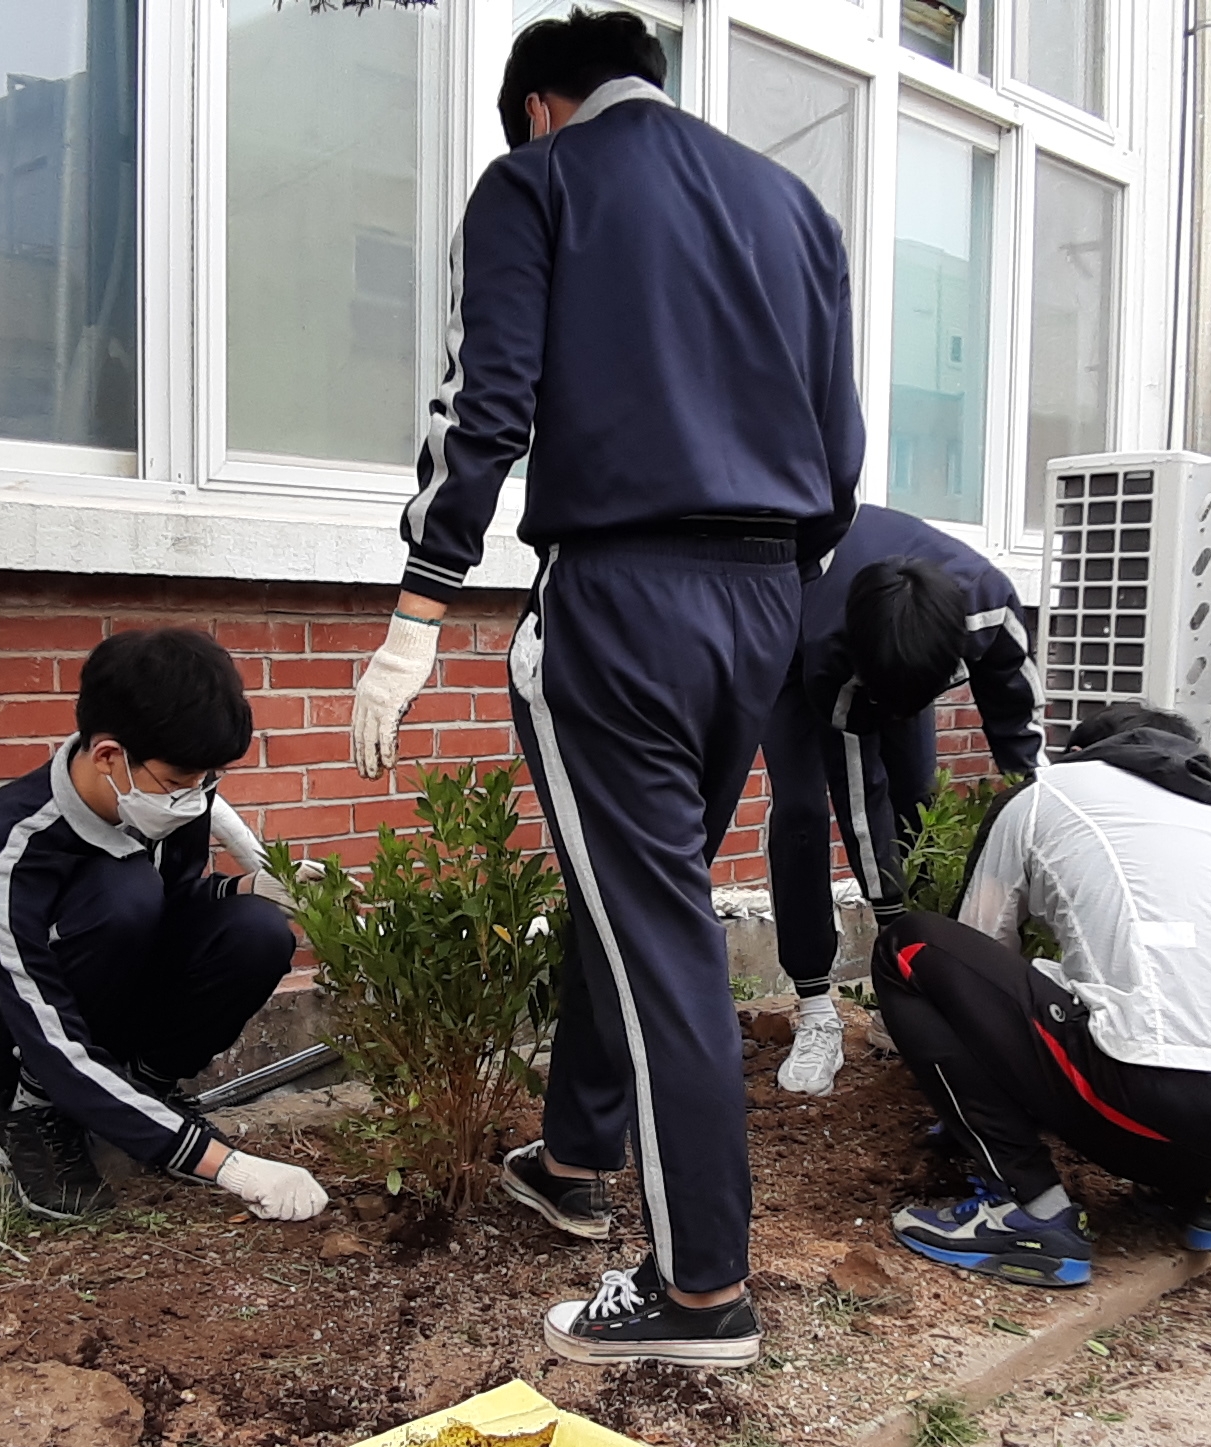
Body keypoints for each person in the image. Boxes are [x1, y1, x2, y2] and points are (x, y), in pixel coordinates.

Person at [340, 9, 864, 1368]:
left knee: (659, 931)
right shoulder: (794, 205)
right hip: (765, 595)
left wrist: (417, 614)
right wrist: (775, 580)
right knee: (638, 893)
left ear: (538, 106)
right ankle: (576, 1160)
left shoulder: (540, 181)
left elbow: (485, 406)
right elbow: (842, 442)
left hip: (621, 600)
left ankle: (700, 1292)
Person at [872, 704, 1211, 1283]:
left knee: (911, 949)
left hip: (1159, 1104)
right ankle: (1205, 1196)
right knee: (1181, 1001)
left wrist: (970, 1107)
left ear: (1084, 752)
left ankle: (1029, 1207)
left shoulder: (1050, 792)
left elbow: (976, 947)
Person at [0, 628, 328, 1224]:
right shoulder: (10, 849)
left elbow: (175, 902)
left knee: (257, 932)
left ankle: (146, 1090)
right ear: (110, 755)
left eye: (208, 781)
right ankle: (31, 1116)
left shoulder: (169, 800)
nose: (196, 799)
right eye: (181, 781)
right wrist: (226, 1166)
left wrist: (248, 888)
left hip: (105, 999)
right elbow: (48, 1028)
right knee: (123, 894)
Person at [762, 504, 1044, 1095]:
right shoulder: (833, 656)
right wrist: (895, 927)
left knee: (920, 795)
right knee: (804, 814)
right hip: (796, 644)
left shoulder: (989, 606)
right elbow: (860, 804)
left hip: (899, 637)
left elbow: (1024, 743)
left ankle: (920, 989)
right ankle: (816, 1008)